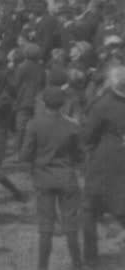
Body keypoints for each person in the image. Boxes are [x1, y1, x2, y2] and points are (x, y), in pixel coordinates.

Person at [19, 88, 84, 270]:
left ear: (44, 103)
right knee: (71, 225)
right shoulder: (72, 126)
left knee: (46, 226)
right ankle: (77, 265)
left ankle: (42, 266)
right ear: (63, 104)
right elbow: (80, 155)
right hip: (67, 178)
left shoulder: (34, 124)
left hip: (43, 179)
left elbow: (24, 155)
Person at [82, 66, 125, 268]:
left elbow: (88, 136)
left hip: (107, 160)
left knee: (89, 206)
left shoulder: (103, 104)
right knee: (120, 205)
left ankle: (90, 257)